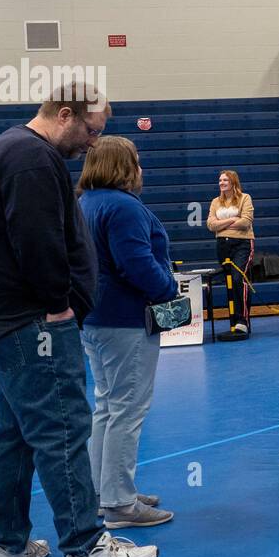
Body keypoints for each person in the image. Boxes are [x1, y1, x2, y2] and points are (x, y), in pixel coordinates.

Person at [0, 94, 158, 557]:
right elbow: (37, 239)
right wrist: (57, 304)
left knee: (12, 434)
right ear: (64, 114)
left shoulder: (11, 150)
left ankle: (5, 544)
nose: (93, 142)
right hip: (31, 324)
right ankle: (85, 549)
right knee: (62, 428)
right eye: (91, 130)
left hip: (1, 319)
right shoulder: (30, 158)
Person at [77, 136, 180, 527]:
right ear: (124, 167)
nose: (141, 169)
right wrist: (169, 287)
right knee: (127, 409)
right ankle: (120, 503)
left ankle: (104, 490)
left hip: (95, 318)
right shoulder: (123, 207)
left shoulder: (85, 203)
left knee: (107, 405)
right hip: (125, 319)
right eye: (136, 162)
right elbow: (135, 263)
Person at [207, 170, 254, 336]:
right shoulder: (215, 202)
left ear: (233, 182)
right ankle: (233, 321)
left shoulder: (245, 198)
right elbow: (211, 225)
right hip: (222, 246)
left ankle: (243, 321)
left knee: (237, 278)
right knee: (228, 282)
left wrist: (222, 225)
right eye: (220, 180)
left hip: (242, 244)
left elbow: (246, 222)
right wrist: (232, 220)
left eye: (225, 180)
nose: (221, 182)